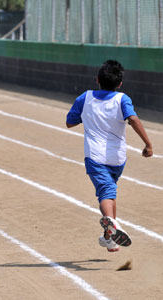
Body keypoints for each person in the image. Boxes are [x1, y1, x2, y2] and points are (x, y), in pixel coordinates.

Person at [66, 60, 153, 252]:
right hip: (118, 157)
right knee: (111, 191)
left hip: (95, 156)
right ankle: (109, 238)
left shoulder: (85, 98)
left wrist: (88, 115)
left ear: (97, 80)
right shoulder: (122, 99)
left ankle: (112, 224)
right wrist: (147, 143)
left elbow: (69, 123)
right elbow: (133, 119)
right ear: (120, 83)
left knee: (105, 192)